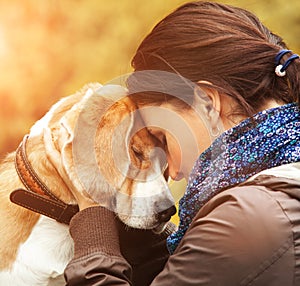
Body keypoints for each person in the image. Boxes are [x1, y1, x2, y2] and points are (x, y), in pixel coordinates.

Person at [62, 1, 300, 285]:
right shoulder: (280, 187)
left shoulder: (245, 219)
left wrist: (93, 217)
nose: (173, 173)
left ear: (207, 103)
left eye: (163, 137)